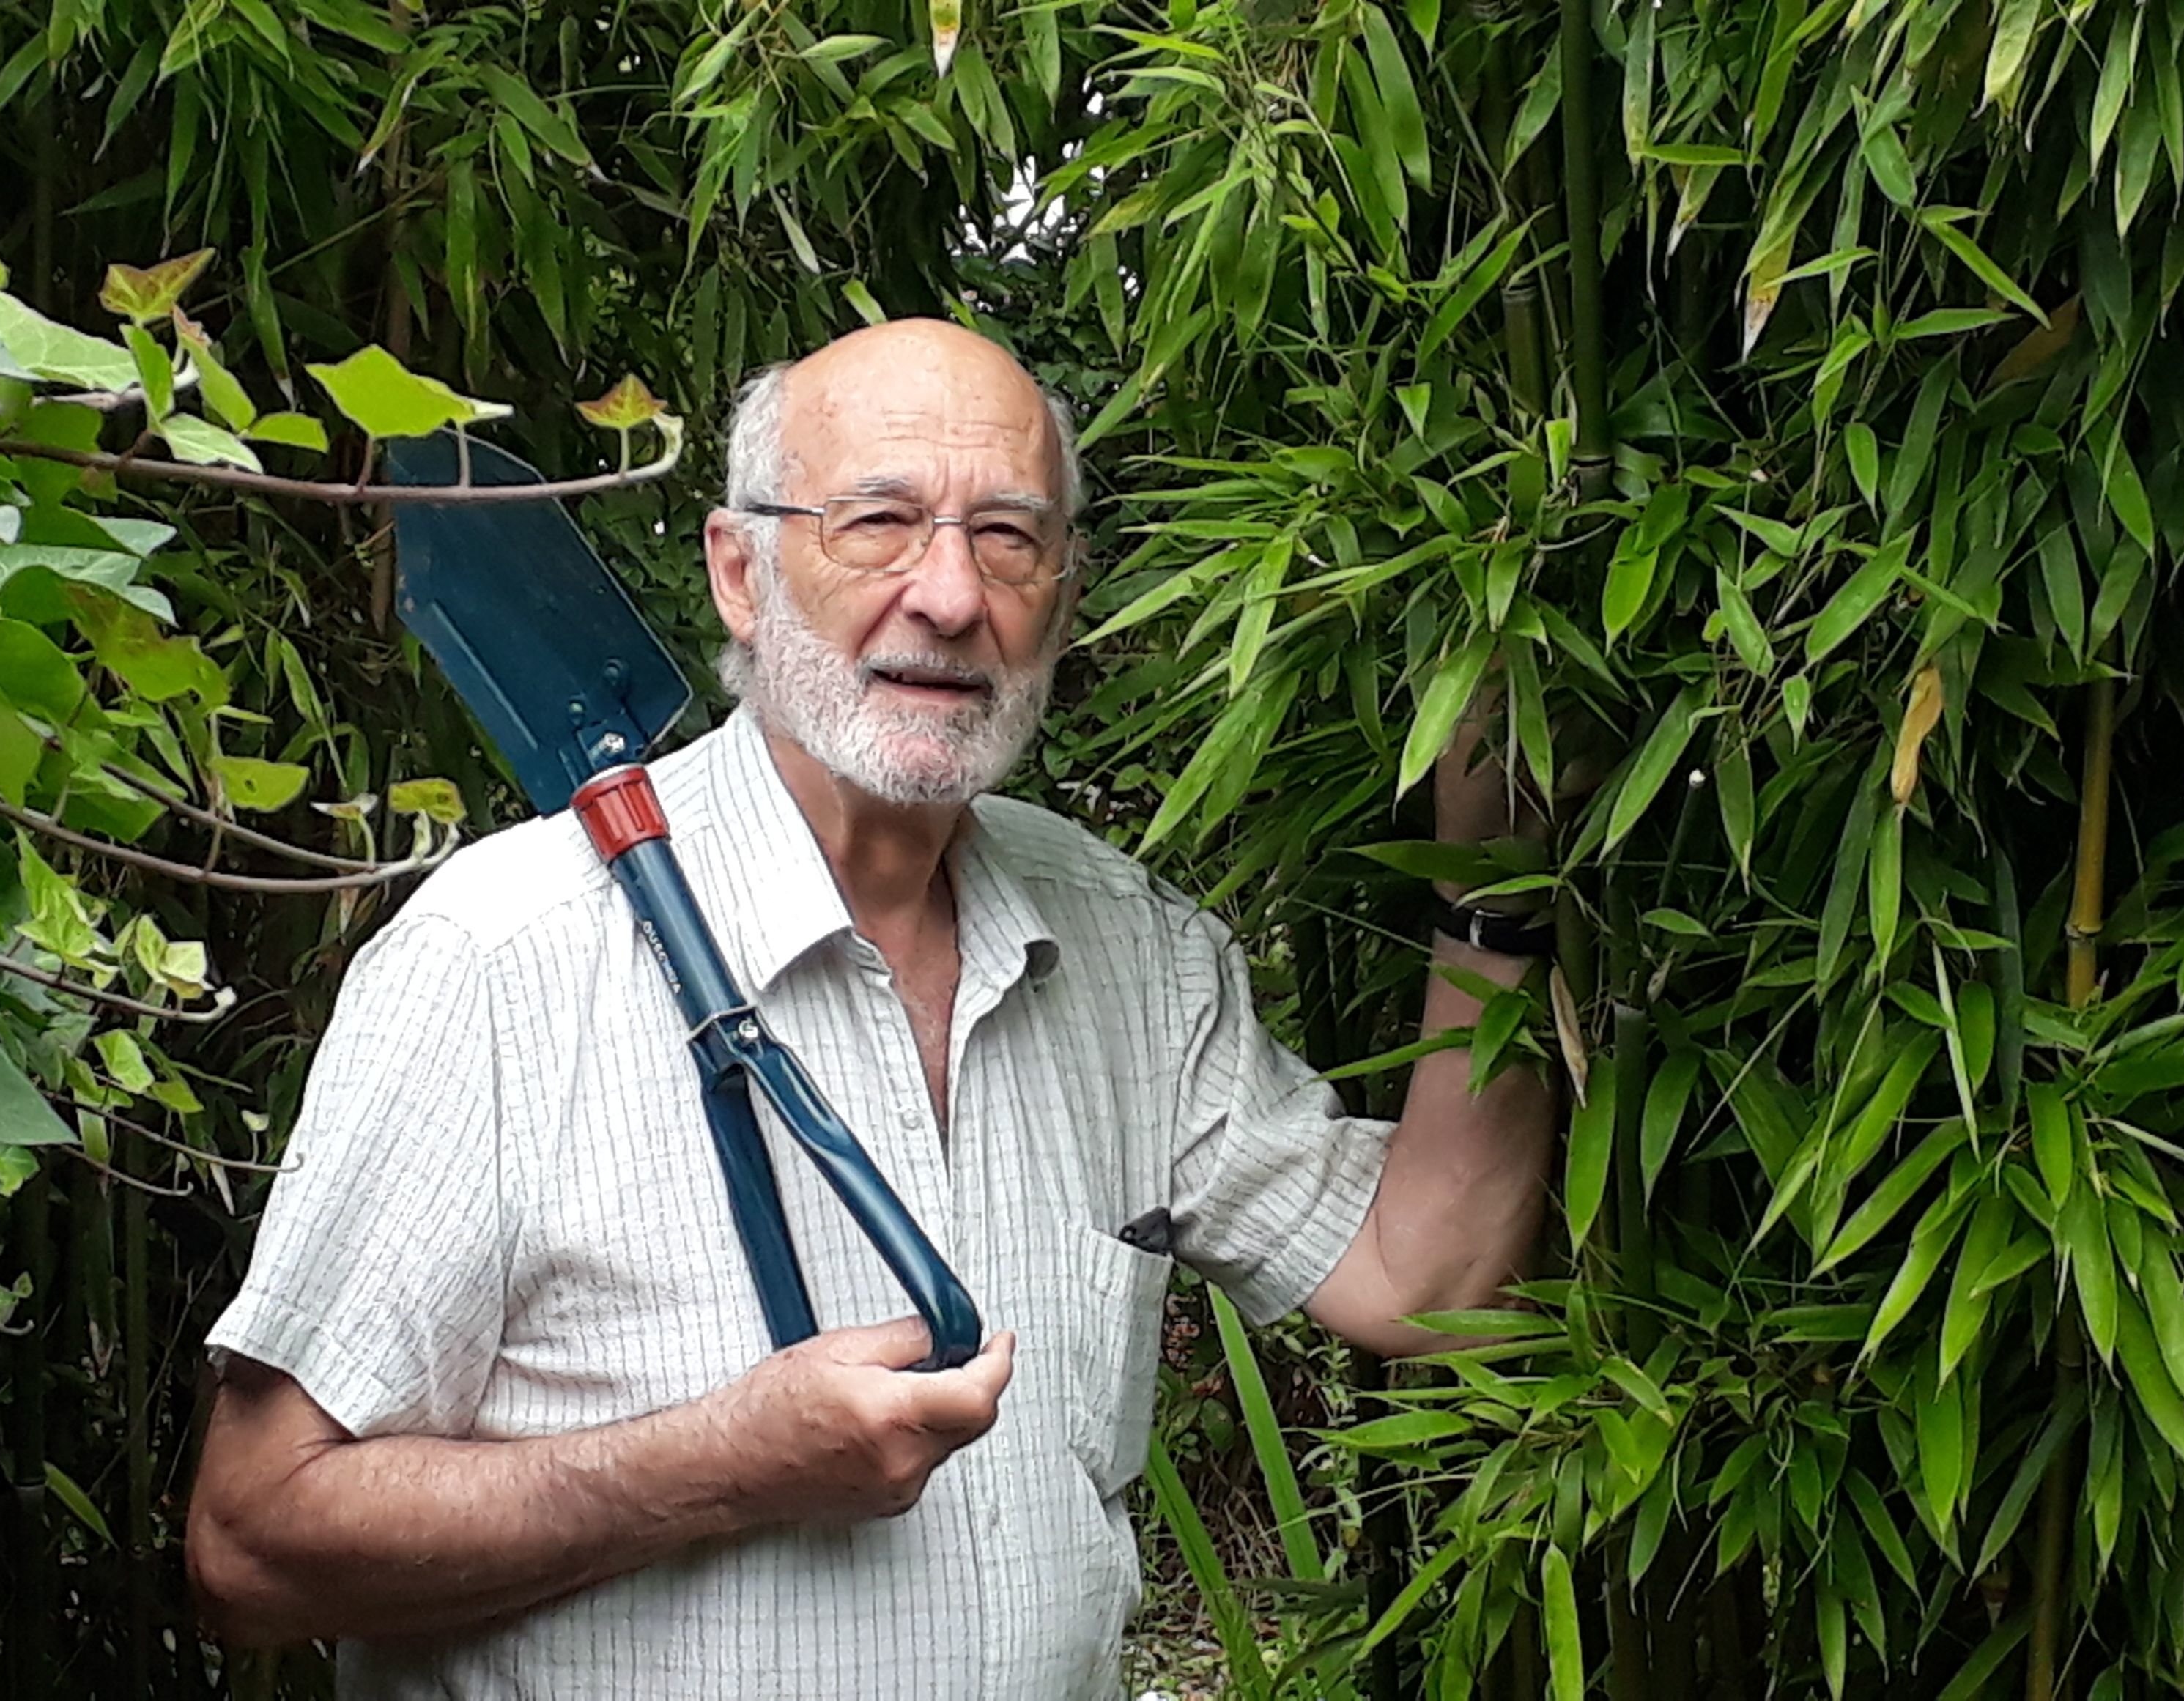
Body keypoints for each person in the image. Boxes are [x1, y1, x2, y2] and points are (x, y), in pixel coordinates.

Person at [184, 319, 1554, 1697]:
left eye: (1009, 537)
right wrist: (712, 1465)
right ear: (741, 570)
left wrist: (1494, 865)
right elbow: (254, 1541)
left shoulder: (1124, 943)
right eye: (879, 522)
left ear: (1066, 593)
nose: (950, 594)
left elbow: (1420, 1279)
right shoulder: (503, 954)